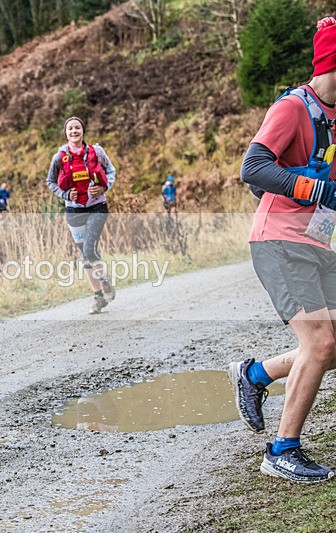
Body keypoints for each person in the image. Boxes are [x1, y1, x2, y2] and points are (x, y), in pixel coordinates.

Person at [231, 16, 336, 483]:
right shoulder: (294, 108)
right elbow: (252, 168)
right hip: (278, 241)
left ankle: (254, 376)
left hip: (317, 241)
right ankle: (282, 450)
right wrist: (311, 188)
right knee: (322, 341)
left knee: (333, 344)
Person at [46, 116, 117, 314]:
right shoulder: (60, 157)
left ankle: (105, 281)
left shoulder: (97, 151)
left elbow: (111, 171)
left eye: (77, 128)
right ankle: (98, 297)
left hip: (97, 207)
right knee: (85, 255)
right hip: (74, 210)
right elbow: (50, 182)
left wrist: (104, 188)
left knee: (89, 248)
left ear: (83, 130)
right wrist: (66, 194)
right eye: (70, 128)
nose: (74, 131)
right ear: (66, 132)